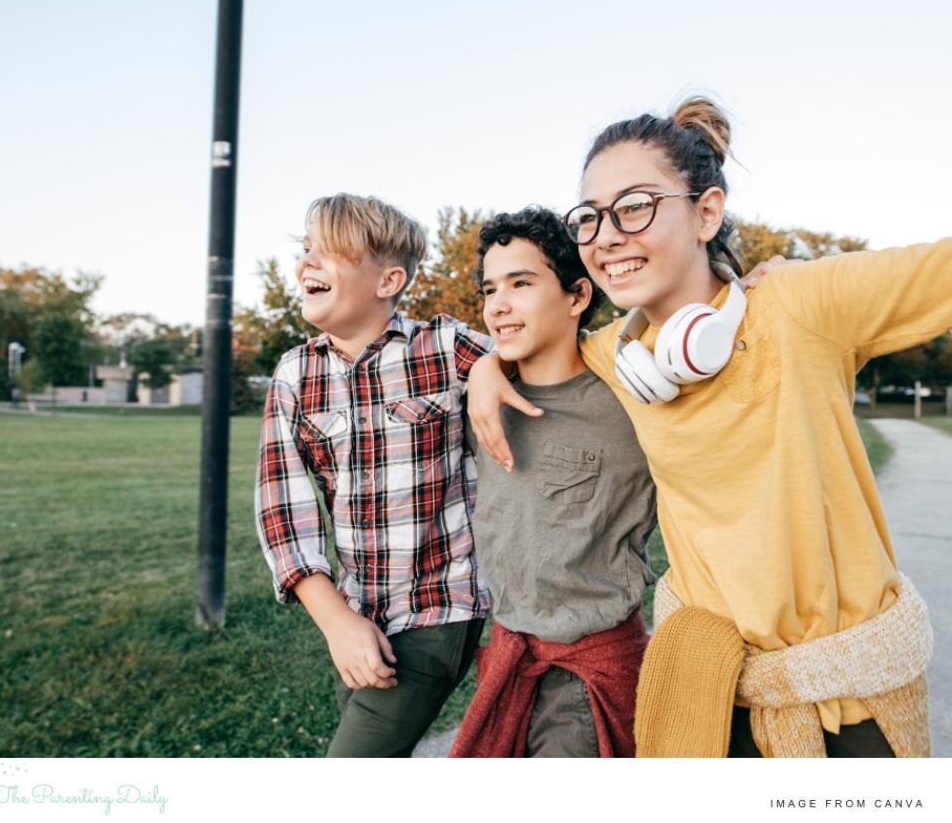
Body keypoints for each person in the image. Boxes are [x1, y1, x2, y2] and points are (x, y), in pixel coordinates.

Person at [468, 97, 950, 757]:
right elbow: (531, 336)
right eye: (590, 217)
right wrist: (487, 367)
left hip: (847, 697)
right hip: (707, 691)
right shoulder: (617, 356)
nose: (605, 236)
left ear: (707, 213)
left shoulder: (802, 303)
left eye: (635, 206)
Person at [255, 193, 490, 757]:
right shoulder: (295, 373)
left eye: (330, 251)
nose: (307, 262)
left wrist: (492, 371)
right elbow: (282, 511)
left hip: (440, 607)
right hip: (355, 614)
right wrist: (337, 624)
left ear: (388, 280)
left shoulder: (444, 346)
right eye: (306, 248)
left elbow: (540, 354)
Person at [448, 207, 655, 758]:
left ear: (577, 295)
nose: (498, 305)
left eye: (521, 283)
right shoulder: (481, 404)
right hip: (511, 657)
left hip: (588, 674)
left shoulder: (630, 401)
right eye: (490, 289)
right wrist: (484, 369)